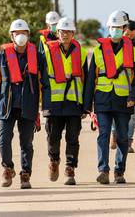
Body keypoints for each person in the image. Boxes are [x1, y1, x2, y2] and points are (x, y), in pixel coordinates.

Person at [84, 11, 135, 184]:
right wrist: (87, 105)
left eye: (118, 27)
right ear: (108, 28)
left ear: (124, 28)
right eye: (112, 27)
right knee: (104, 135)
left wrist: (133, 96)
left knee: (123, 137)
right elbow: (90, 79)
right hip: (102, 99)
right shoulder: (98, 51)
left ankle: (119, 171)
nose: (115, 30)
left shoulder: (134, 51)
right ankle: (103, 170)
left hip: (124, 100)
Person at [0, 19, 40, 189]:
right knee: (4, 139)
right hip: (6, 105)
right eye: (17, 33)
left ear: (29, 35)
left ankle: (26, 174)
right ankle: (8, 168)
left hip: (28, 104)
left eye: (23, 32)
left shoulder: (37, 56)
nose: (20, 36)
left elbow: (43, 82)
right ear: (11, 36)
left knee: (27, 142)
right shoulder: (2, 56)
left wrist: (45, 106)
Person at [40, 17, 88, 185]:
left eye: (68, 32)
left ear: (73, 33)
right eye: (62, 31)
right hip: (54, 102)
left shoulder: (81, 52)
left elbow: (86, 79)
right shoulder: (46, 51)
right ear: (57, 33)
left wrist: (86, 106)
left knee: (73, 137)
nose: (65, 35)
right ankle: (54, 161)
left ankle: (70, 167)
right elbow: (40, 78)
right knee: (53, 136)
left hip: (74, 101)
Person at [110, 20, 135, 153]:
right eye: (128, 34)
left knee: (131, 117)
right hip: (117, 84)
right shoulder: (115, 44)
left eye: (132, 35)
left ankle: (128, 142)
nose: (130, 37)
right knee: (115, 113)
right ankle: (114, 133)